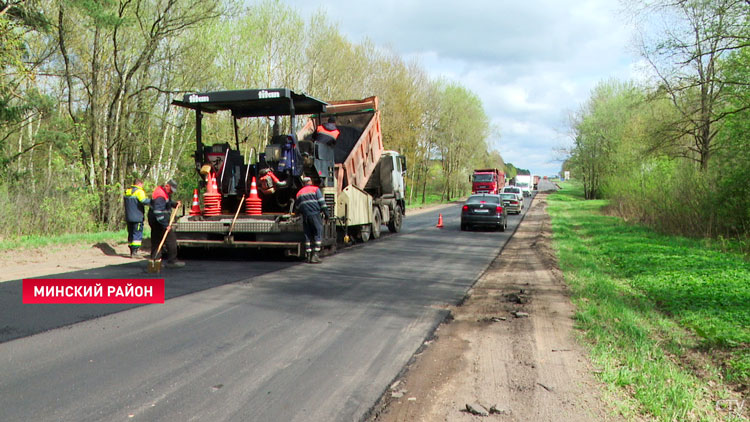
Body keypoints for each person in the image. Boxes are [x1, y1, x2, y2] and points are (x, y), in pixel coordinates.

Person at [148, 179, 184, 268]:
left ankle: (156, 260)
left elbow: (166, 203)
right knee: (171, 240)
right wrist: (165, 225)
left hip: (155, 220)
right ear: (167, 186)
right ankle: (172, 261)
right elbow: (158, 212)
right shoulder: (160, 195)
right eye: (171, 190)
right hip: (158, 221)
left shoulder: (164, 193)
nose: (172, 192)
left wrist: (174, 204)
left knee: (156, 240)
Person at [295, 176, 329, 263]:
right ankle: (315, 255)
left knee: (308, 235)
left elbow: (297, 208)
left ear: (303, 183)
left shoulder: (299, 193)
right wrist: (327, 214)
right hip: (315, 214)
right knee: (318, 232)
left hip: (305, 216)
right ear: (310, 181)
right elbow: (322, 203)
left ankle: (308, 255)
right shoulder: (315, 189)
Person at [123, 179, 150, 258]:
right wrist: (154, 202)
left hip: (128, 217)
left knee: (131, 234)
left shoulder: (127, 191)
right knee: (137, 234)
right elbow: (144, 201)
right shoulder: (139, 192)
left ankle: (131, 251)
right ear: (140, 184)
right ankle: (135, 252)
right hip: (137, 217)